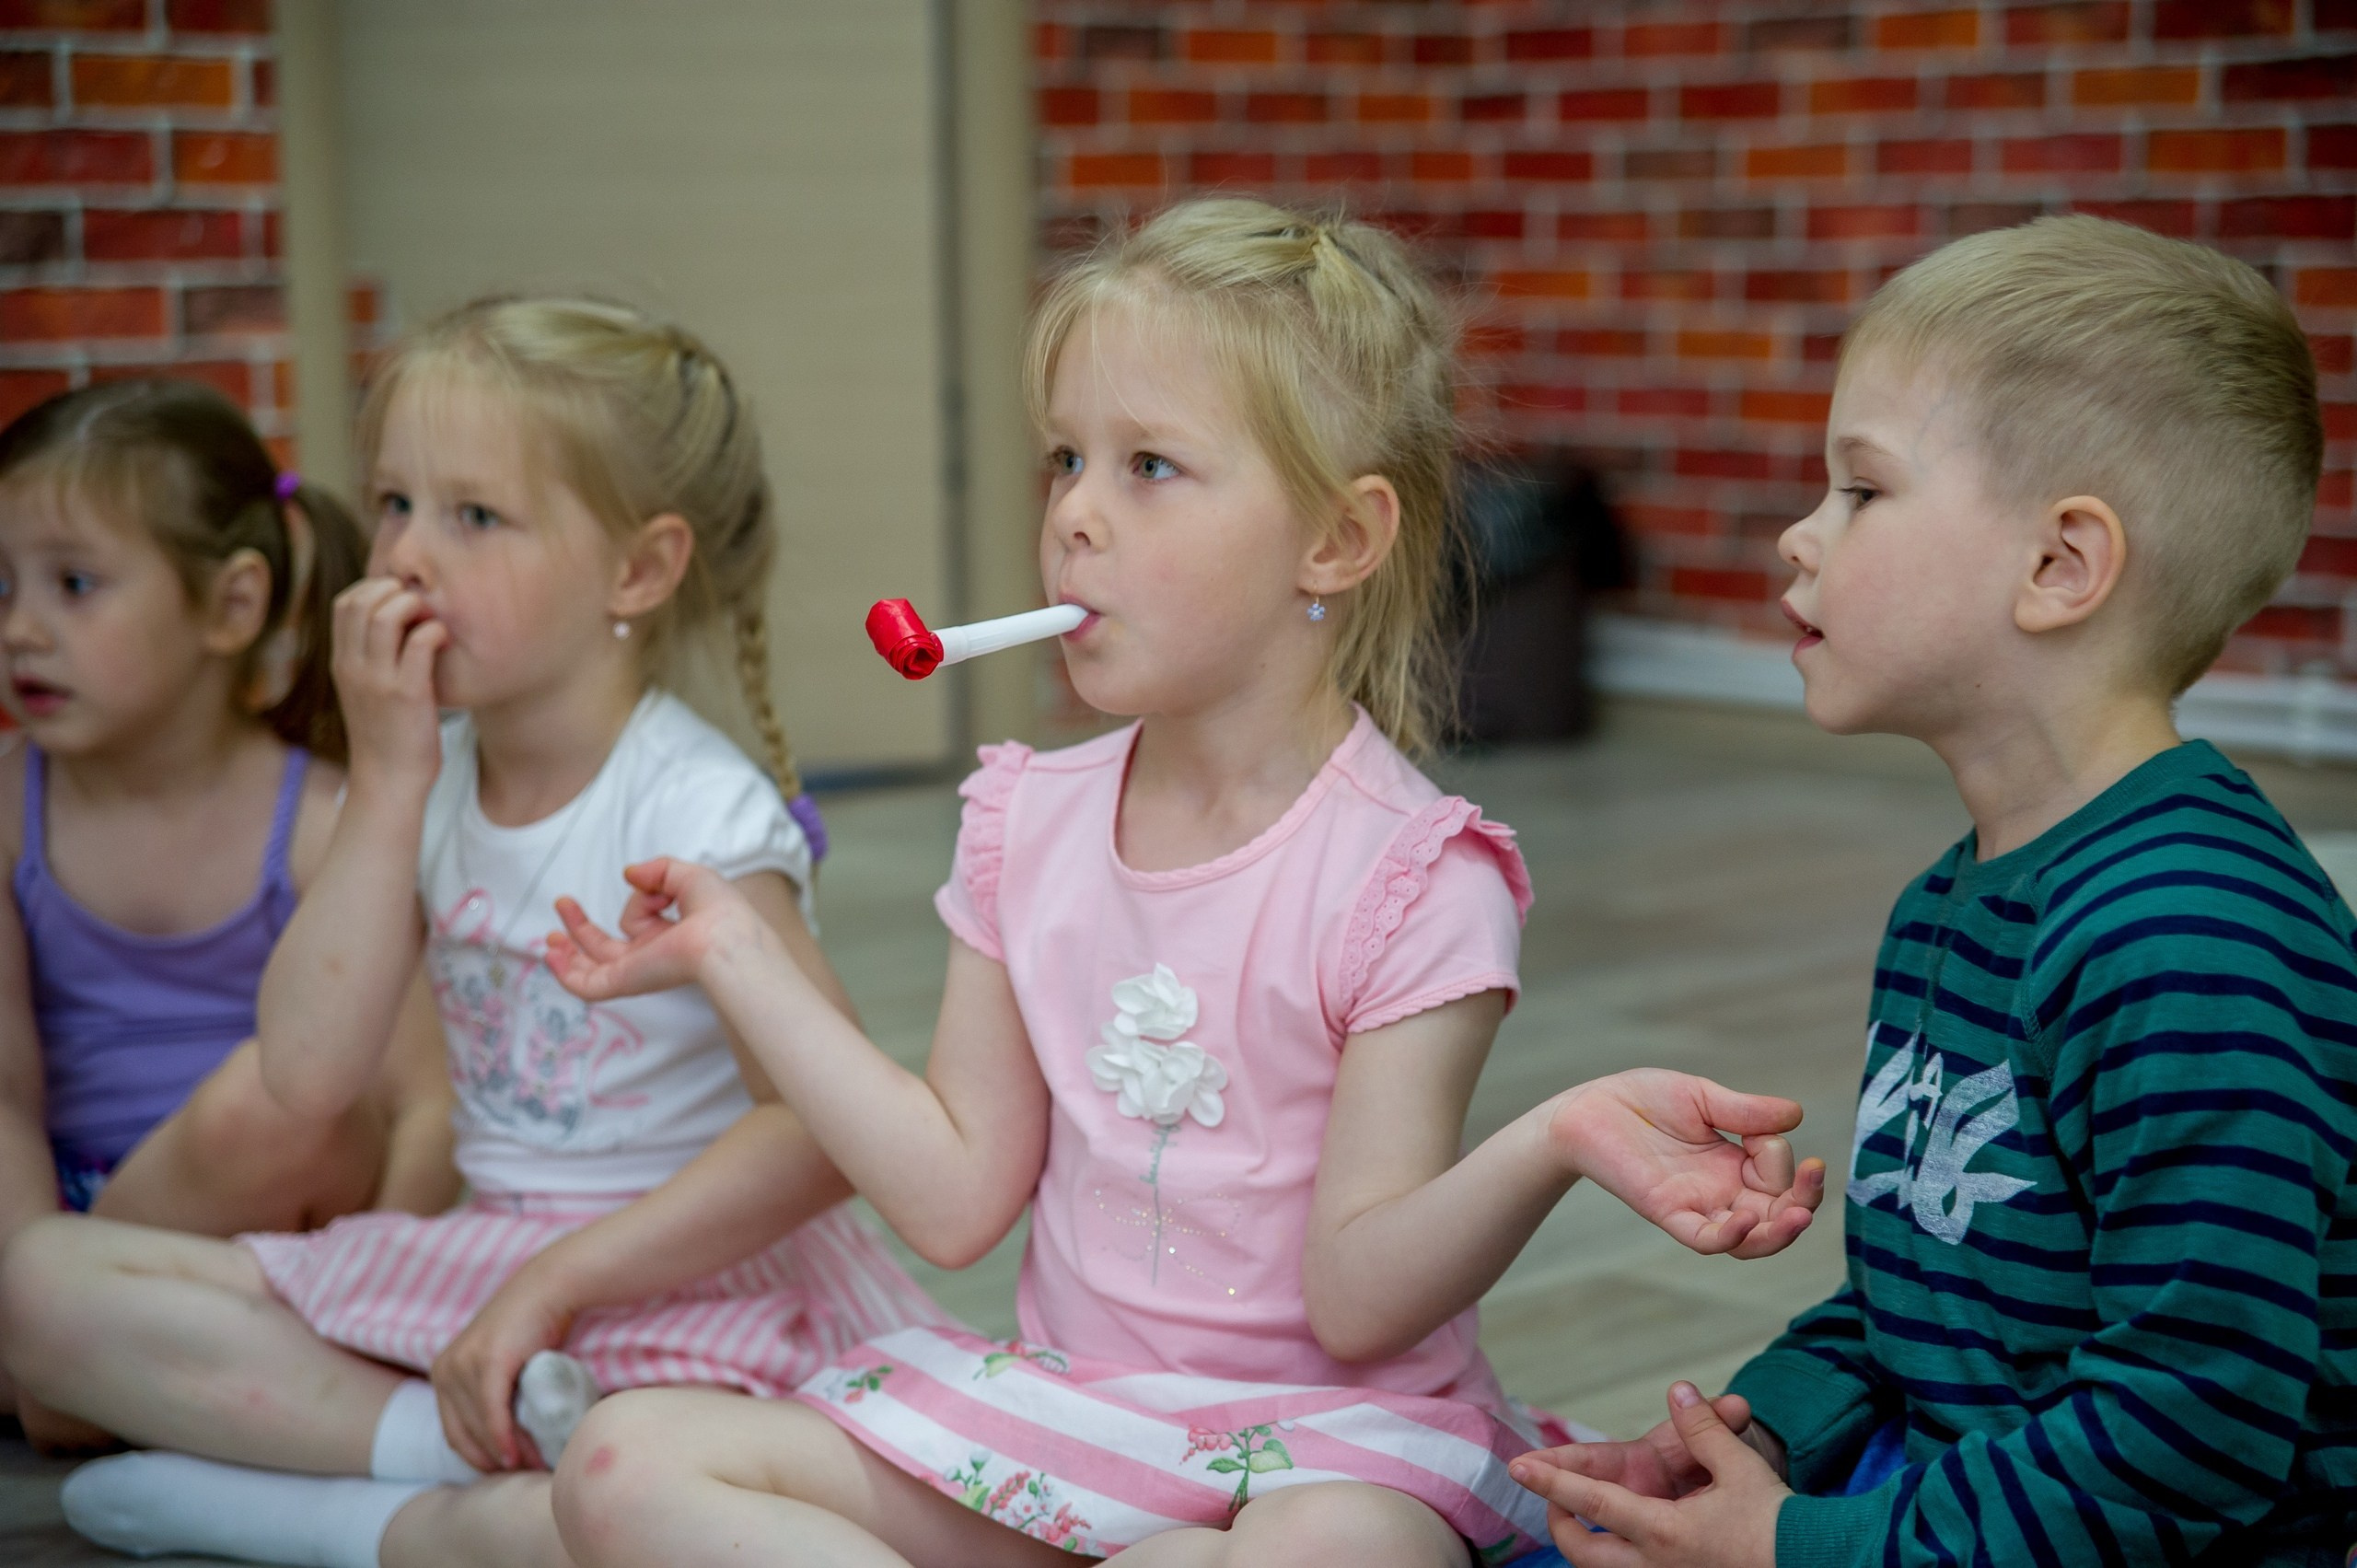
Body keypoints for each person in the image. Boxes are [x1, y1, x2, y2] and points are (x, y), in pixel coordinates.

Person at [539, 197, 1826, 1568]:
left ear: (1335, 540)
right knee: (623, 1460)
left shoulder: (1410, 876)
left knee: (1332, 1550)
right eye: (1065, 460)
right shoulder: (1024, 819)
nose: (1076, 515)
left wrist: (1560, 1134)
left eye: (1150, 465)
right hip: (1072, 1421)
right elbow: (954, 1195)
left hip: (1324, 1449)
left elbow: (1358, 1299)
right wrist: (738, 948)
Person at [0, 299, 945, 1568]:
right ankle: (455, 1467)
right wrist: (385, 783)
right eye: (393, 502)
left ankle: (370, 1516)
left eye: (473, 516)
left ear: (637, 570)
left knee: (672, 1489)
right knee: (41, 1284)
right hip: (495, 1260)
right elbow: (309, 1072)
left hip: (692, 1280)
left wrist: (564, 1283)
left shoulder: (691, 804)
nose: (405, 556)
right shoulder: (425, 775)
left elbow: (823, 1131)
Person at [1509, 215, 2357, 1566]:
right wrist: (1749, 1442)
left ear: (2059, 566)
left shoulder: (2191, 940)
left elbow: (2192, 1429)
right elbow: (1927, 1299)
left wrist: (1801, 1546)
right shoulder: (1946, 907)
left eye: (1863, 488)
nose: (1799, 535)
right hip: (1965, 1493)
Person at [0, 381, 459, 1434]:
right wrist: (31, 1279)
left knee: (276, 1100)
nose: (21, 627)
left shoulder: (320, 819)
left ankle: (104, 1370)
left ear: (233, 605)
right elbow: (7, 1095)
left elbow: (425, 1103)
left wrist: (383, 1314)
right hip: (58, 1231)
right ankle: (71, 1357)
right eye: (2, 585)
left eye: (73, 583)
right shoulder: (11, 812)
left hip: (272, 1242)